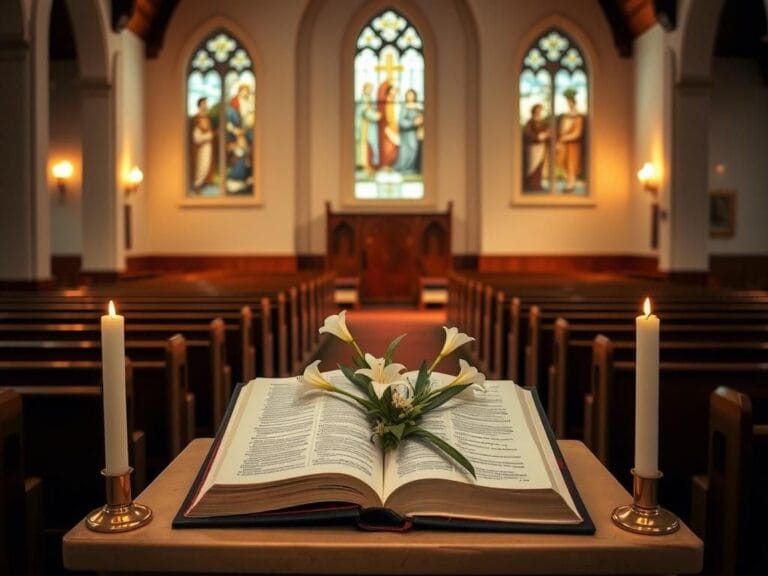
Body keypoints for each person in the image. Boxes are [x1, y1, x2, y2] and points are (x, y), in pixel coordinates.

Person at [226, 82, 254, 194]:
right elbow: (229, 122)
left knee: (248, 154)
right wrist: (235, 130)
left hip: (247, 134)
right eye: (243, 91)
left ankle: (247, 177)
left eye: (247, 91)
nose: (245, 93)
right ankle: (236, 178)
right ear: (239, 92)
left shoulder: (250, 104)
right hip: (237, 135)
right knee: (239, 153)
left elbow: (249, 119)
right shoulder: (233, 107)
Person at [556, 89, 585, 191]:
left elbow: (578, 132)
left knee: (572, 163)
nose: (568, 104)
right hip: (564, 145)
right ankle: (568, 181)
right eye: (567, 102)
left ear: (573, 102)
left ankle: (571, 183)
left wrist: (566, 138)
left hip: (573, 145)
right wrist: (561, 138)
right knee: (563, 163)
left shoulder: (578, 116)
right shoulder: (565, 116)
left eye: (569, 102)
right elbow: (562, 129)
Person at [394, 88, 424, 174]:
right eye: (408, 95)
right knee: (405, 151)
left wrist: (421, 121)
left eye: (412, 94)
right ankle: (403, 169)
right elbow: (401, 122)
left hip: (415, 133)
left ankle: (411, 169)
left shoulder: (418, 107)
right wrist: (413, 122)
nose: (410, 96)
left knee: (414, 149)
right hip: (406, 133)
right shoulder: (404, 107)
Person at [356, 82, 381, 175]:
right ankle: (363, 165)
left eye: (371, 89)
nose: (370, 91)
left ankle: (371, 164)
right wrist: (376, 116)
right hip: (363, 126)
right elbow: (364, 112)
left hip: (370, 127)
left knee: (371, 144)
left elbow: (371, 110)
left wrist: (374, 114)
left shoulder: (370, 99)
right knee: (363, 146)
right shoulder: (362, 100)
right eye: (368, 88)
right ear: (364, 89)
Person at [523, 103, 549, 191]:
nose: (539, 112)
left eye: (540, 110)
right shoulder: (530, 122)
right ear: (534, 111)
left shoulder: (542, 122)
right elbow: (528, 133)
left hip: (541, 147)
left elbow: (547, 131)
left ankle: (537, 184)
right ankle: (531, 184)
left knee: (539, 165)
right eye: (538, 110)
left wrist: (546, 135)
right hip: (533, 147)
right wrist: (537, 137)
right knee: (532, 165)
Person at [191, 97, 215, 194]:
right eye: (204, 103)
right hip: (200, 146)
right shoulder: (197, 118)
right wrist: (207, 136)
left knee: (207, 163)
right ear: (200, 105)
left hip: (208, 145)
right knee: (201, 164)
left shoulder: (207, 117)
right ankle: (197, 183)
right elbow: (196, 136)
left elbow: (209, 130)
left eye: (206, 103)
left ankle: (204, 181)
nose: (205, 105)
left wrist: (210, 135)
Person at [377, 81, 400, 169]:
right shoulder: (385, 101)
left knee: (394, 148)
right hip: (387, 128)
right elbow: (384, 114)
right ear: (389, 91)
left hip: (397, 127)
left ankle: (392, 165)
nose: (394, 92)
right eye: (392, 90)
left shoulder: (398, 101)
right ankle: (386, 164)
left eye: (395, 90)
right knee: (387, 147)